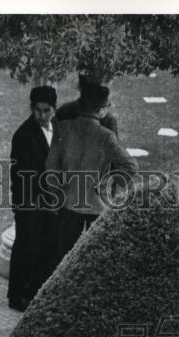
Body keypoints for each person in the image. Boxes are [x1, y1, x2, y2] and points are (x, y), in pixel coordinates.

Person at [45, 83, 137, 259]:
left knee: (64, 260)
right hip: (96, 206)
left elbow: (50, 166)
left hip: (68, 204)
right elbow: (130, 166)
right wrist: (108, 181)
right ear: (101, 109)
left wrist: (57, 193)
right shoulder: (106, 136)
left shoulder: (65, 129)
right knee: (95, 258)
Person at [7, 85, 60, 312]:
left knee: (46, 248)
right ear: (32, 108)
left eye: (46, 110)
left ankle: (34, 292)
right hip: (30, 203)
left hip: (49, 203)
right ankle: (17, 295)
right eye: (38, 110)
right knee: (26, 249)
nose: (42, 115)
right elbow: (23, 176)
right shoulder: (22, 135)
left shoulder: (59, 128)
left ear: (54, 109)